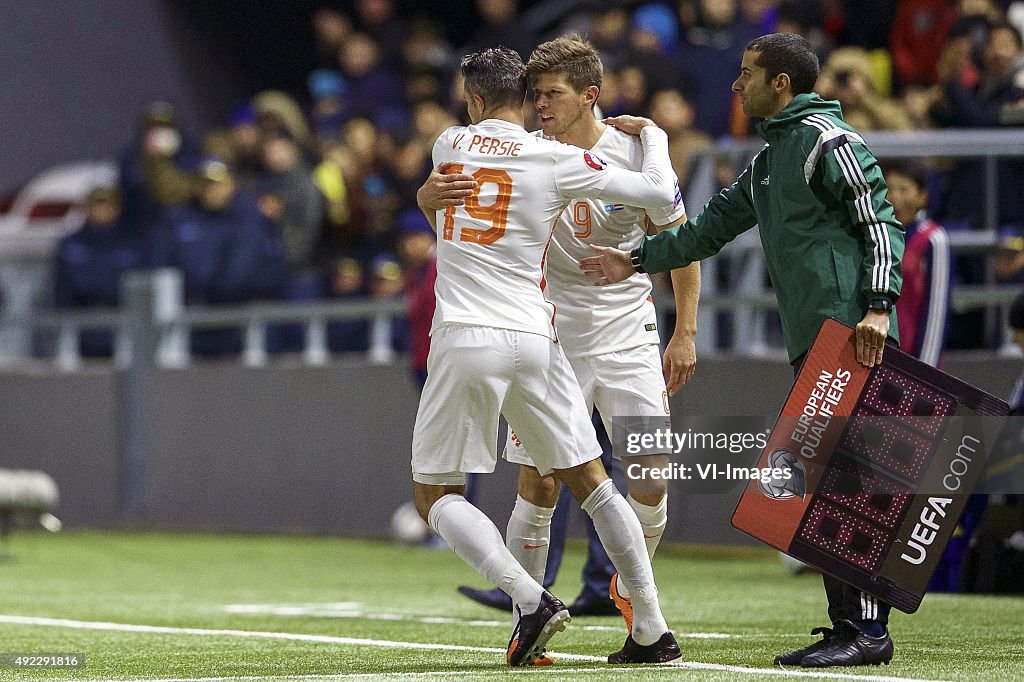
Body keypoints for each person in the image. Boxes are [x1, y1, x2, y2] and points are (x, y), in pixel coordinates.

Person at [581, 33, 905, 668]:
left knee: (846, 483)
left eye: (748, 74)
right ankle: (851, 626)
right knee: (820, 482)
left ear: (781, 83)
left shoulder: (829, 143)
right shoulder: (771, 159)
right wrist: (637, 260)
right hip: (816, 337)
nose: (736, 86)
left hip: (851, 332)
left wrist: (877, 306)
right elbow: (706, 229)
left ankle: (867, 631)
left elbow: (880, 219)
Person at [418, 33, 701, 628]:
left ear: (589, 96)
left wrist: (686, 332)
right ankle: (543, 603)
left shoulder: (622, 151)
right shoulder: (536, 149)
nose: (541, 105)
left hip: (627, 329)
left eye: (552, 94)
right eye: (535, 94)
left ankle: (624, 590)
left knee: (649, 475)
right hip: (552, 330)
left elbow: (679, 241)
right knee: (543, 478)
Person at [53, 185, 148, 356]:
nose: (102, 210)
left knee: (126, 377)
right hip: (83, 320)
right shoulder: (72, 243)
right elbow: (61, 289)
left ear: (117, 208)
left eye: (107, 204)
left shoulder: (130, 242)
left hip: (121, 321)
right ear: (86, 207)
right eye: (97, 204)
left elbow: (139, 285)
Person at [883, 161, 950, 367]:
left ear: (923, 197)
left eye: (904, 189)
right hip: (875, 357)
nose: (895, 197)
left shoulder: (933, 239)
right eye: (889, 189)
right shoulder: (876, 236)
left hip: (912, 362)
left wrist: (924, 372)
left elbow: (936, 312)